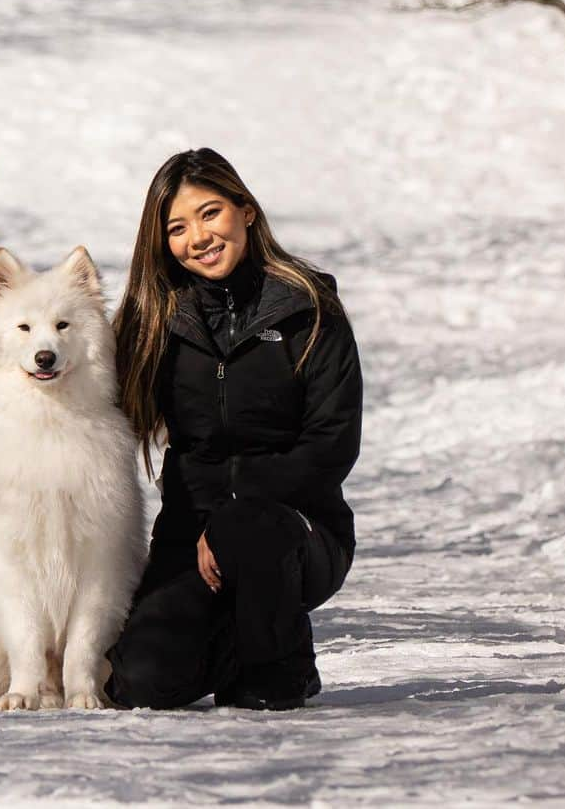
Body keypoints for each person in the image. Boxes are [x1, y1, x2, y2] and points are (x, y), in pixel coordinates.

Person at [107, 148, 362, 711]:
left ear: (245, 211)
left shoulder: (308, 309)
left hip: (296, 529)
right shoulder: (157, 319)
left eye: (210, 213)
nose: (197, 237)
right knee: (139, 683)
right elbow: (98, 410)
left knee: (247, 531)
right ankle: (245, 636)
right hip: (189, 533)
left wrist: (233, 511)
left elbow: (331, 444)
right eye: (176, 228)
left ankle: (283, 667)